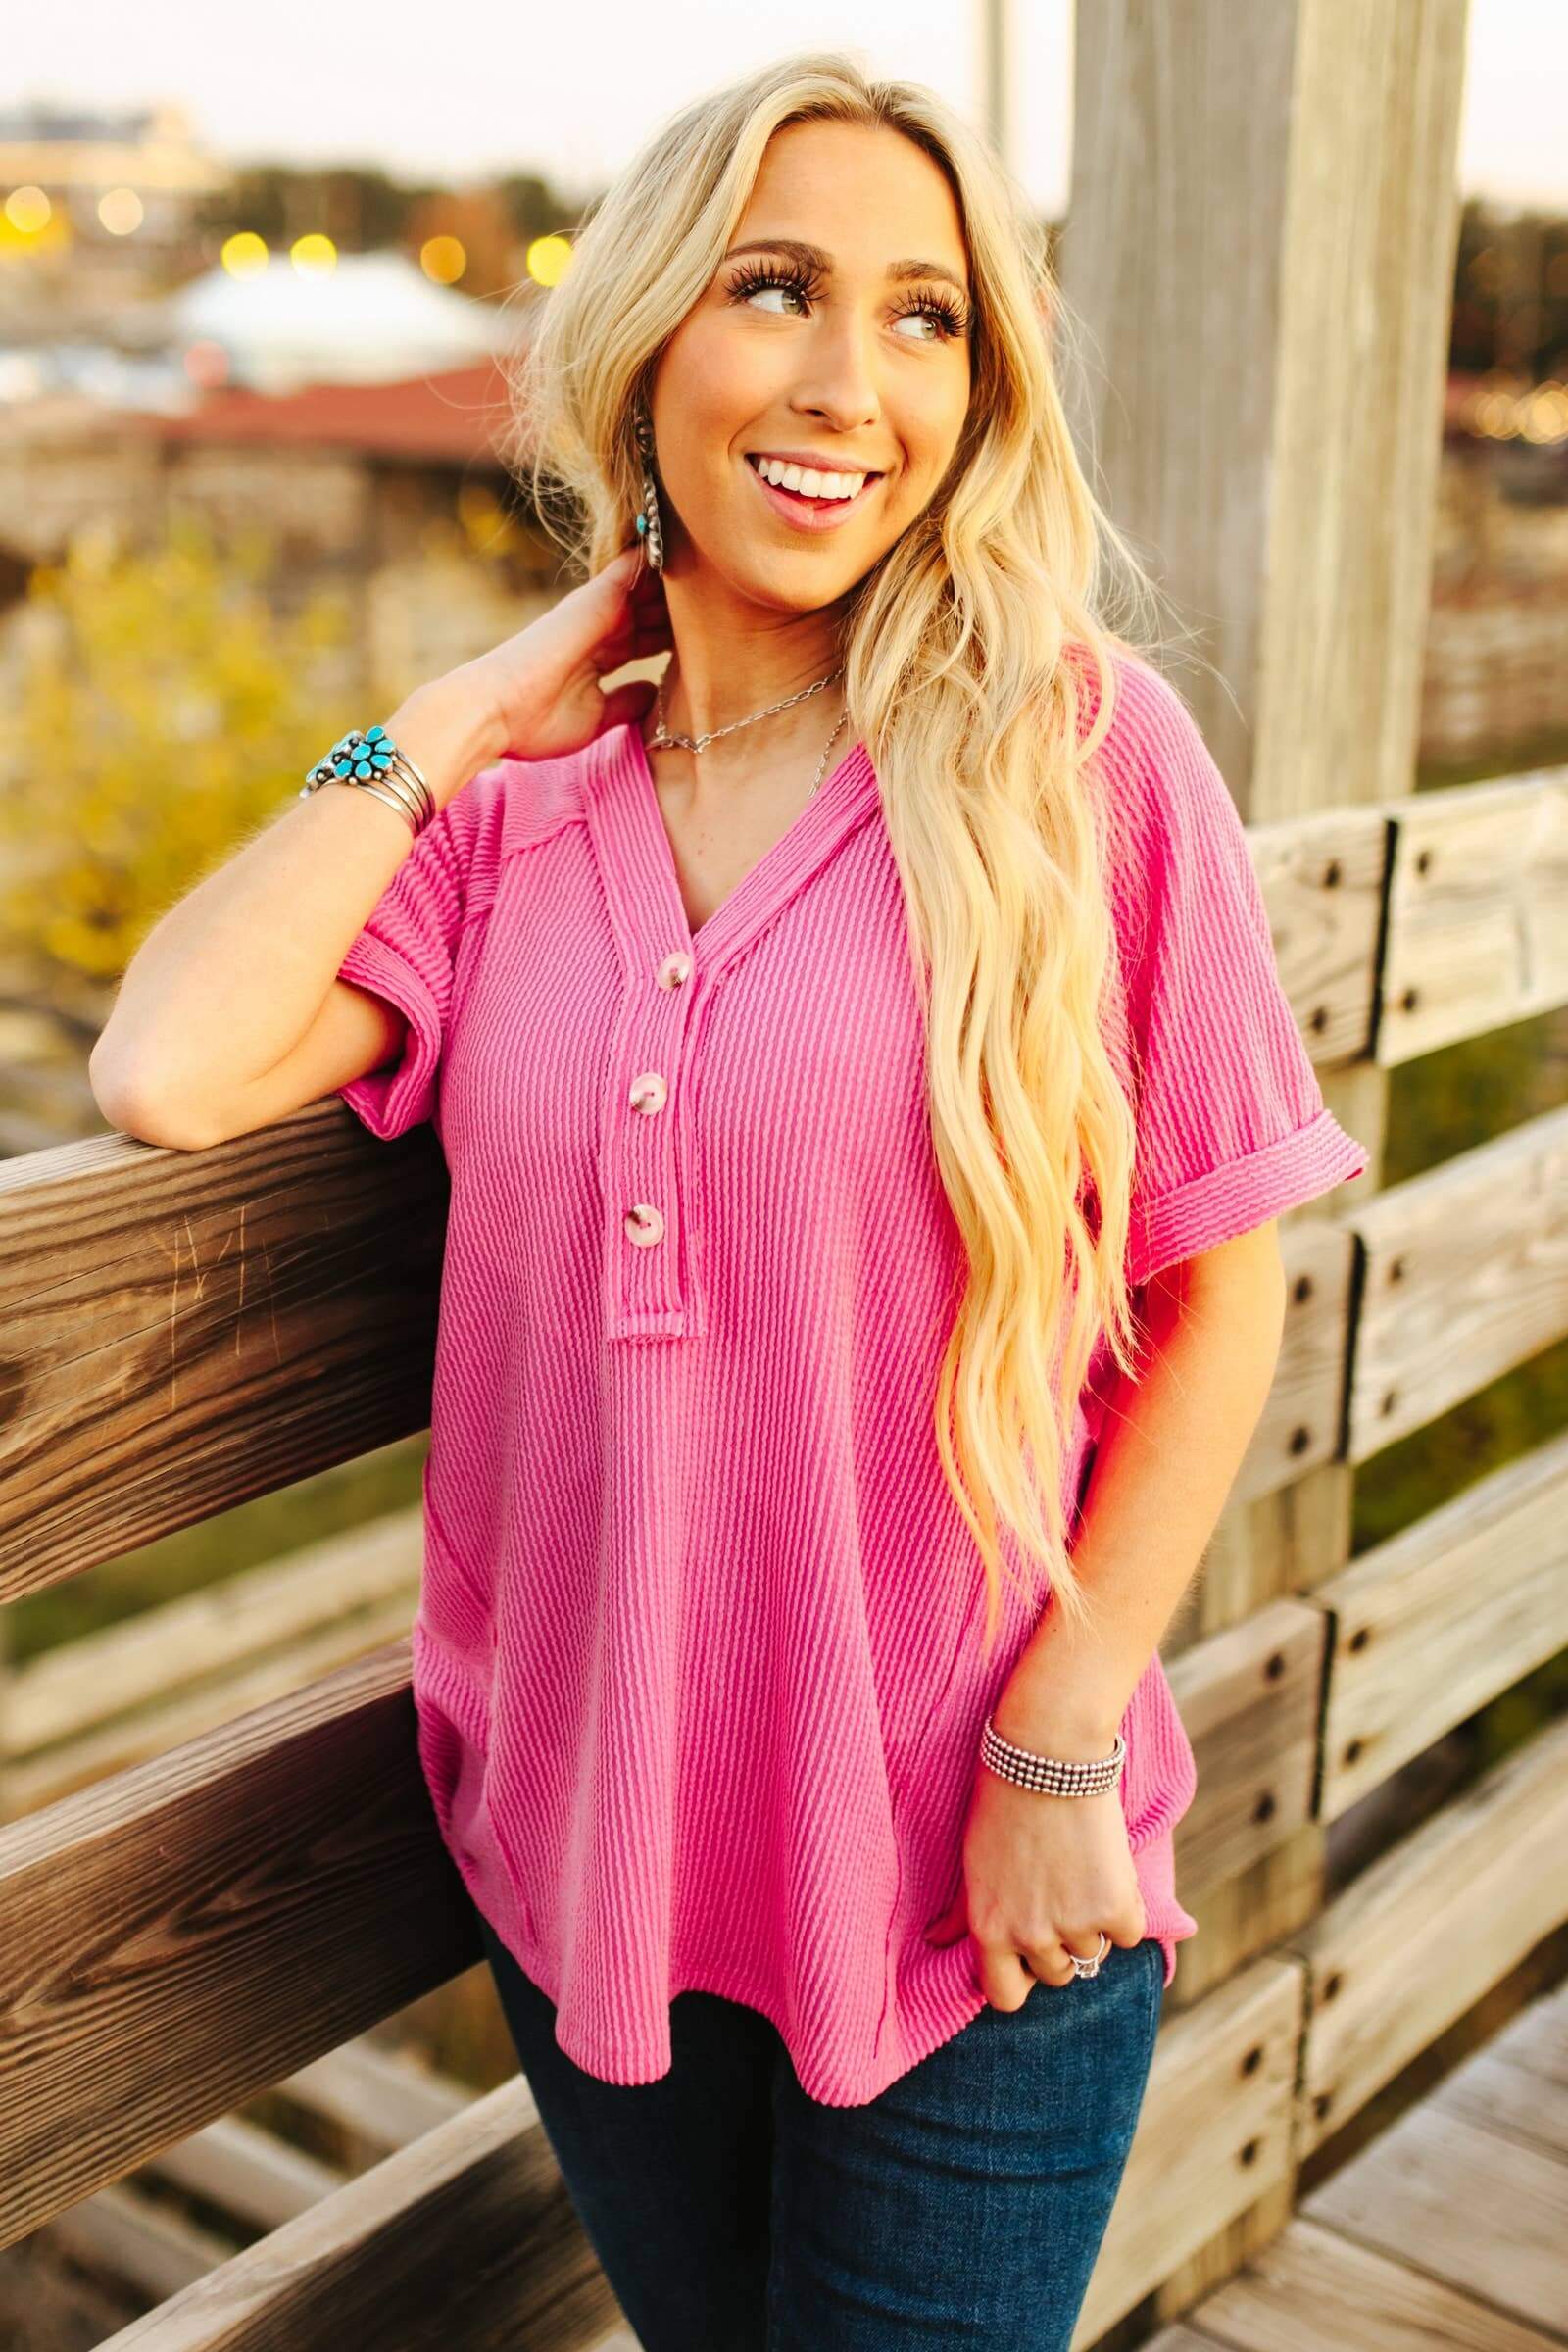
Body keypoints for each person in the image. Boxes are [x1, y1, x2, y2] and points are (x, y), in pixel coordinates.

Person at [89, 49, 1368, 2352]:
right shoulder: (498, 834)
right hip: (589, 1871)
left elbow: (1225, 1290)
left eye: (925, 318)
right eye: (776, 290)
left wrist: (1058, 1742)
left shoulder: (1078, 762)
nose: (847, 382)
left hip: (975, 1875)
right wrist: (471, 707)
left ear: (977, 395)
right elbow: (167, 1063)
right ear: (651, 335)